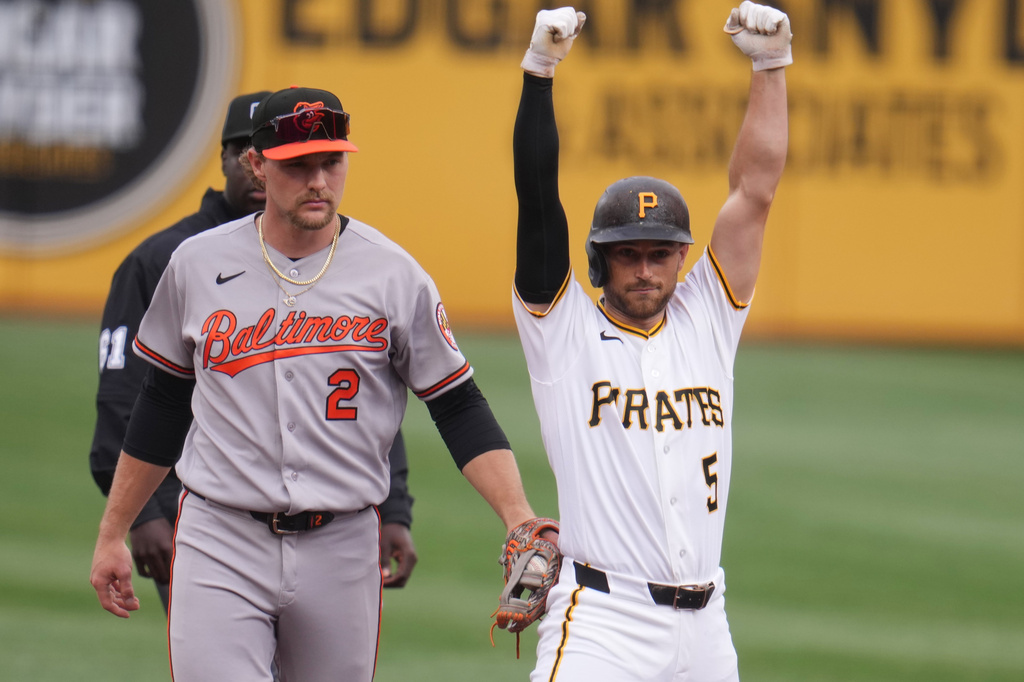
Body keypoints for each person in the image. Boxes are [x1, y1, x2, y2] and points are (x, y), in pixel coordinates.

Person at [90, 84, 547, 682]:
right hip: (219, 534)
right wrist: (113, 531)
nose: (318, 181)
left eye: (331, 162)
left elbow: (457, 403)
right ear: (257, 165)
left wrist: (517, 515)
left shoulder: (394, 274)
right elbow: (162, 402)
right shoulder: (195, 265)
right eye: (297, 165)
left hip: (343, 542)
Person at [510, 4, 790, 680]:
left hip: (708, 630)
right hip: (605, 624)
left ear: (681, 257)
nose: (643, 268)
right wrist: (540, 73)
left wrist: (771, 67)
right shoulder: (563, 329)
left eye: (660, 254)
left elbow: (754, 191)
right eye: (626, 253)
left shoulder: (709, 315)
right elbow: (537, 195)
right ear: (599, 260)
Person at [89, 92, 419, 614]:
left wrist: (393, 507)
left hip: (328, 531)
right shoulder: (165, 261)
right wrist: (144, 515)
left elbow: (365, 393)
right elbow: (129, 401)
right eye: (246, 150)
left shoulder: (342, 259)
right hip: (203, 516)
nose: (257, 168)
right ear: (233, 159)